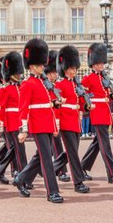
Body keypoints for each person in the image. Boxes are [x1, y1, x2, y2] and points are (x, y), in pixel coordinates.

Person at [12, 38, 64, 203]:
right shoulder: (27, 84)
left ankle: (21, 179)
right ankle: (52, 192)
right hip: (37, 124)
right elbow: (23, 108)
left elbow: (48, 103)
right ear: (31, 65)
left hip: (47, 122)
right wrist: (23, 129)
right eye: (40, 64)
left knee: (43, 155)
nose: (43, 66)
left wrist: (56, 103)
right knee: (47, 158)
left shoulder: (44, 82)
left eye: (43, 63)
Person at [80, 43, 113, 184]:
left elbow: (106, 94)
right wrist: (88, 106)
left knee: (97, 144)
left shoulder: (103, 77)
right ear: (93, 63)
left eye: (102, 62)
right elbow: (84, 95)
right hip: (97, 112)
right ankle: (112, 174)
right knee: (105, 145)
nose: (101, 64)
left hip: (105, 111)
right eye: (98, 62)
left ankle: (82, 167)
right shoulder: (88, 78)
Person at [52, 45, 91, 193]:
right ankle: (78, 182)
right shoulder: (59, 84)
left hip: (76, 121)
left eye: (75, 68)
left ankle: (50, 169)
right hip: (66, 121)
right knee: (73, 153)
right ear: (65, 68)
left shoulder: (76, 84)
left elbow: (80, 104)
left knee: (70, 152)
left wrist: (86, 107)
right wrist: (57, 123)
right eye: (71, 68)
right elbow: (57, 106)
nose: (74, 70)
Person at [0, 52, 28, 183]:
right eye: (16, 73)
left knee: (13, 148)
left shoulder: (21, 87)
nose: (18, 75)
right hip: (10, 123)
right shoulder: (5, 89)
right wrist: (0, 126)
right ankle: (23, 176)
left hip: (19, 122)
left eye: (19, 73)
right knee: (19, 150)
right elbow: (1, 109)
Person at [44, 50, 70, 183]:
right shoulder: (44, 86)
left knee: (55, 147)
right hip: (48, 120)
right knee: (50, 149)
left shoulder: (57, 85)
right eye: (52, 72)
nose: (54, 74)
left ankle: (59, 170)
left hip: (58, 120)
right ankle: (60, 171)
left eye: (55, 72)